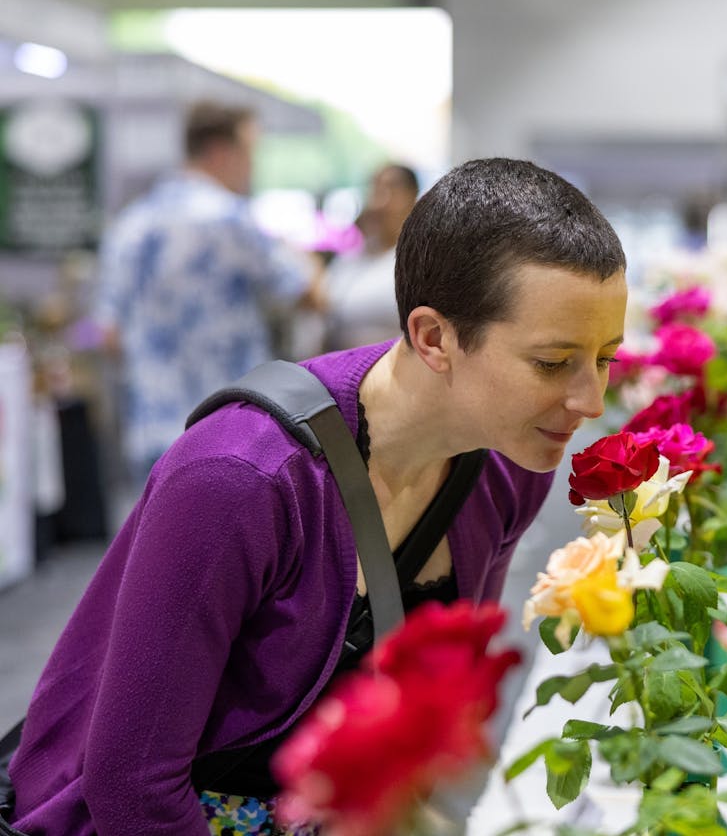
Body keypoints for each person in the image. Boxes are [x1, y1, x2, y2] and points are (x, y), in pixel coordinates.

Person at [10, 158, 629, 836]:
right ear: (432, 338)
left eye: (606, 358)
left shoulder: (510, 465)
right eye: (551, 362)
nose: (590, 401)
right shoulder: (241, 479)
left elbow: (418, 717)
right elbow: (131, 788)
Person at [93, 100, 322, 480]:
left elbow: (109, 336)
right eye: (249, 151)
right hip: (230, 433)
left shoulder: (132, 223)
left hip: (155, 432)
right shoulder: (230, 218)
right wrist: (305, 255)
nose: (252, 165)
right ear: (219, 151)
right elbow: (308, 295)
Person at [321, 163, 420, 351]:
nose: (379, 203)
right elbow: (324, 308)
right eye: (376, 190)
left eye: (391, 190)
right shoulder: (350, 259)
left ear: (413, 198)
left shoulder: (420, 262)